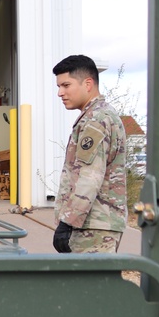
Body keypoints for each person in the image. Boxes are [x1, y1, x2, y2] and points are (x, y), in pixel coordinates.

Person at [52, 54, 127, 253]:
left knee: (88, 284)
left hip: (93, 226)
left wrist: (67, 222)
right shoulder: (96, 116)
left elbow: (89, 176)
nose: (60, 92)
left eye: (66, 85)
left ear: (88, 84)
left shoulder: (96, 119)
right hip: (93, 223)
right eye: (59, 86)